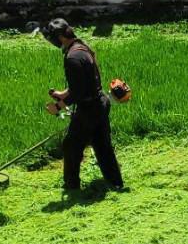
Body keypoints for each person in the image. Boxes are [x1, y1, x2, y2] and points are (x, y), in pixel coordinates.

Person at [40, 18, 126, 195]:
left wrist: (57, 107)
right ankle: (116, 183)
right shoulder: (81, 46)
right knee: (102, 146)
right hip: (100, 102)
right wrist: (63, 94)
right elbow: (84, 83)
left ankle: (72, 187)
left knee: (71, 146)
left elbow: (78, 93)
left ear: (59, 37)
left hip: (89, 109)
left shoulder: (72, 58)